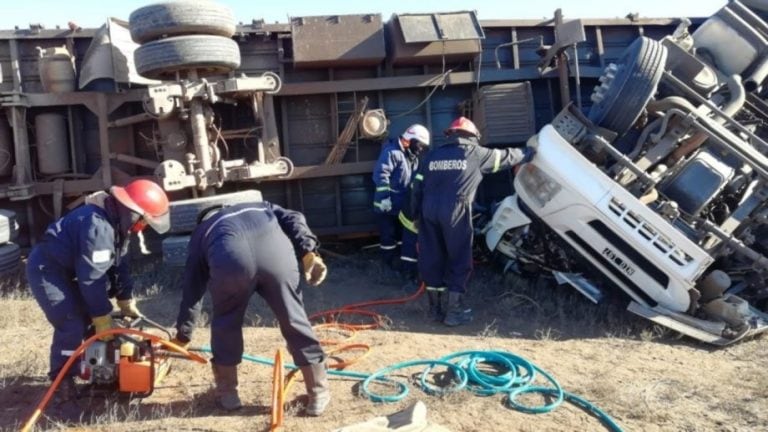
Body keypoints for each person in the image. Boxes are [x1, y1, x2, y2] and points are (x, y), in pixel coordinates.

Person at [172, 201, 331, 416]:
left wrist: (183, 334)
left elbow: (193, 287)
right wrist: (308, 251)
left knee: (226, 323)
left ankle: (228, 396)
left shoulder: (202, 231)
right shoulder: (261, 206)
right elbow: (294, 217)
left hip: (231, 262)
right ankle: (318, 394)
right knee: (293, 318)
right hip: (275, 255)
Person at [27, 179, 171, 415]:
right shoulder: (98, 226)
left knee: (90, 314)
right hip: (47, 270)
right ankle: (62, 385)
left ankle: (99, 370)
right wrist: (102, 316)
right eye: (143, 221)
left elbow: (120, 263)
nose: (142, 227)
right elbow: (91, 279)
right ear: (133, 213)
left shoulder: (116, 223)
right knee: (72, 321)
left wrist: (126, 299)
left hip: (70, 271)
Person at [412, 117, 534, 326]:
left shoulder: (431, 157)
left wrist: (416, 216)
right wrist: (529, 152)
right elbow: (506, 157)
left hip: (428, 211)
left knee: (432, 258)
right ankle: (454, 312)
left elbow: (416, 188)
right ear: (472, 136)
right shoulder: (476, 154)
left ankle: (434, 310)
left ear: (451, 134)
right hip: (456, 210)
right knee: (459, 257)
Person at [372, 124, 430, 276]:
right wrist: (385, 198)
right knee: (388, 239)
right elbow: (381, 174)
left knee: (399, 237)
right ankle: (387, 267)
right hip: (386, 207)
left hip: (400, 208)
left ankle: (398, 265)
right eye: (420, 145)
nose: (421, 149)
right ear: (409, 140)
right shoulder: (392, 153)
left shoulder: (413, 158)